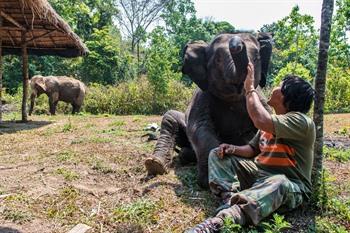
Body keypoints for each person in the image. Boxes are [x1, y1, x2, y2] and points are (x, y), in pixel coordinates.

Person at [185, 62, 316, 233]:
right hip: (258, 176)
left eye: (280, 86)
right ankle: (227, 198)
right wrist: (232, 149)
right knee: (217, 154)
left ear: (286, 97)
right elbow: (252, 150)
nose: (274, 88)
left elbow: (259, 119)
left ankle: (223, 220)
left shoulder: (301, 122)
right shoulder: (271, 123)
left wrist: (250, 88)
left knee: (279, 182)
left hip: (290, 186)